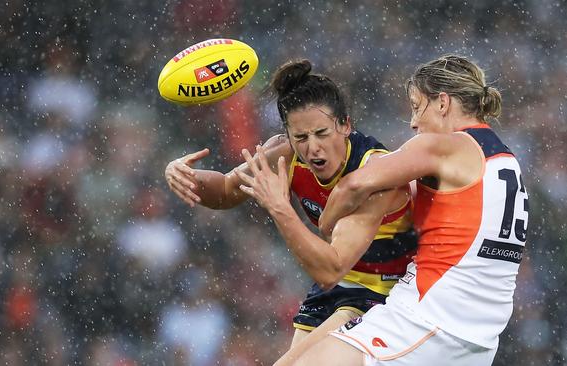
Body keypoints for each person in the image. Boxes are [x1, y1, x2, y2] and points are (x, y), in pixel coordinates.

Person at [246, 54, 529, 365]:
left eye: (417, 105)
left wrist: (323, 222)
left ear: (443, 103)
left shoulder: (444, 145)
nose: (413, 121)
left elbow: (354, 185)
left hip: (427, 319)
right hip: (478, 336)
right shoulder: (506, 160)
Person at [164, 60, 417, 364]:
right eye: (301, 138)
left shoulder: (374, 174)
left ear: (345, 125)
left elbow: (330, 269)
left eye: (322, 133)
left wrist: (280, 208)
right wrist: (181, 174)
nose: (313, 148)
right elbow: (224, 192)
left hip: (386, 292)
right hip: (338, 288)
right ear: (287, 135)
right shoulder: (286, 156)